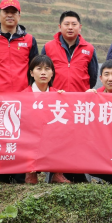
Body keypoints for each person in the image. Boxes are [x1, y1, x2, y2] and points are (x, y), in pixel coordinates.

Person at [22, 55, 69, 185]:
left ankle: (58, 173)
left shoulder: (58, 94)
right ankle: (30, 173)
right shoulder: (23, 96)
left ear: (52, 73)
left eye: (47, 69)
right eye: (39, 69)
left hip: (51, 135)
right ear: (31, 73)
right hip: (31, 136)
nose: (43, 72)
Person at [42, 11, 98, 92]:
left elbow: (93, 78)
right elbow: (42, 73)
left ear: (80, 27)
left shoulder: (89, 49)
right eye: (66, 24)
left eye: (74, 24)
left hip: (80, 100)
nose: (70, 27)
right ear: (60, 27)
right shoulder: (48, 47)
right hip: (55, 99)